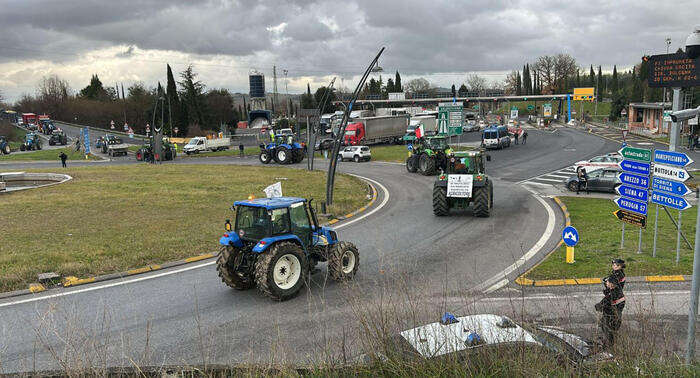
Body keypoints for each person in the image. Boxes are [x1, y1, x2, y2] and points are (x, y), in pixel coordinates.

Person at [595, 275, 625, 348]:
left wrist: (599, 306)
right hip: (614, 316)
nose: (606, 283)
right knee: (606, 328)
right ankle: (609, 342)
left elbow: (605, 304)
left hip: (611, 317)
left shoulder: (613, 294)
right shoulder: (616, 290)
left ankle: (609, 346)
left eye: (607, 282)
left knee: (608, 331)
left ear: (612, 284)